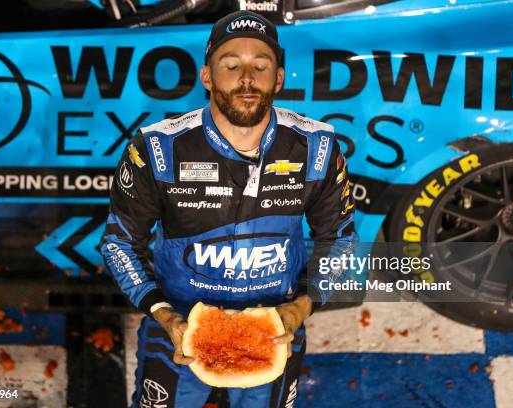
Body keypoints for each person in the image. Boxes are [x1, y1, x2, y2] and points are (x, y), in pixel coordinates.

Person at [100, 10, 357, 408]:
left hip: (278, 329)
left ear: (280, 77)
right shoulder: (156, 149)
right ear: (207, 76)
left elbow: (339, 239)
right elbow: (120, 243)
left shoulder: (317, 147)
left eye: (261, 65)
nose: (247, 79)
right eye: (231, 65)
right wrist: (165, 316)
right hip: (175, 330)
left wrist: (301, 307)